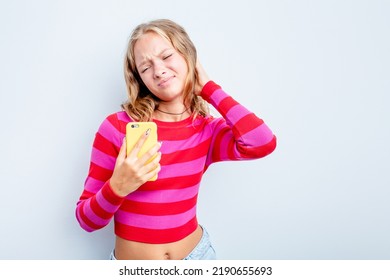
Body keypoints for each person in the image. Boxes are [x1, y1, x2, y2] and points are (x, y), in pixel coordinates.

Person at [75, 19, 277, 260]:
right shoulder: (117, 127)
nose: (158, 70)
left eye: (166, 56)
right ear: (139, 79)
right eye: (145, 67)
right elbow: (87, 221)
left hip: (198, 257)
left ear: (189, 57)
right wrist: (118, 186)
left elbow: (262, 143)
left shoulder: (206, 130)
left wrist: (209, 88)